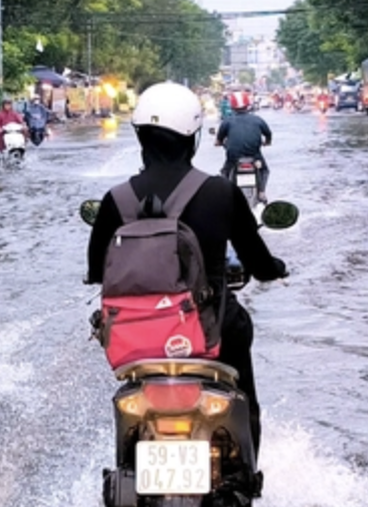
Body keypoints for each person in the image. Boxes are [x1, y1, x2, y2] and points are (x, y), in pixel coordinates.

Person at [85, 82, 287, 452]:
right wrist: (276, 268)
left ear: (140, 136)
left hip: (138, 340)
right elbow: (257, 261)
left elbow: (97, 271)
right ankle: (247, 479)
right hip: (212, 334)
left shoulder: (116, 200)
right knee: (243, 399)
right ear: (193, 137)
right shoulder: (220, 192)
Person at [216, 90, 272, 202]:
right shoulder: (258, 119)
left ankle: (226, 194)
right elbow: (268, 134)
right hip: (255, 157)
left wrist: (219, 143)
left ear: (232, 106)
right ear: (248, 105)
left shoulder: (227, 121)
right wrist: (267, 142)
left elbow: (219, 139)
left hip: (233, 157)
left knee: (225, 171)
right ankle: (261, 192)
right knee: (264, 170)